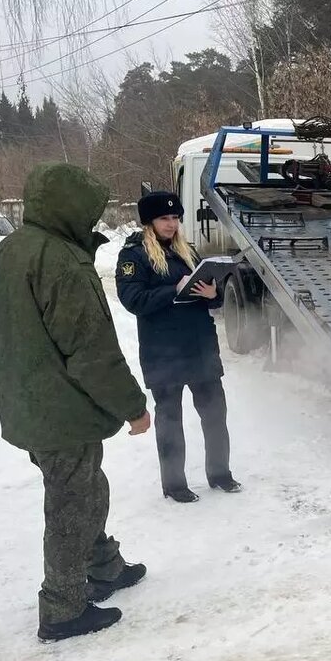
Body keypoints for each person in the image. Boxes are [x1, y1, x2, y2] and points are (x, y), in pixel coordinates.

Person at [0, 163, 151, 643]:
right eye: (88, 208)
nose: (92, 217)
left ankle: (105, 566)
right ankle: (62, 607)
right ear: (69, 206)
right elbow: (90, 350)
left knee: (84, 489)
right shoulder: (60, 260)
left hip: (28, 401)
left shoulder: (10, 250)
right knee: (72, 501)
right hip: (62, 407)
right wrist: (132, 406)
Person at [116, 191, 240, 504]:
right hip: (163, 351)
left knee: (215, 415)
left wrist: (213, 292)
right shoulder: (134, 255)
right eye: (164, 218)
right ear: (149, 222)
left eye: (175, 218)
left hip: (200, 347)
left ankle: (220, 474)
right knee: (170, 420)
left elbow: (214, 297)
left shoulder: (189, 252)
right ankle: (174, 484)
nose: (172, 224)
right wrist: (175, 289)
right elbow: (133, 301)